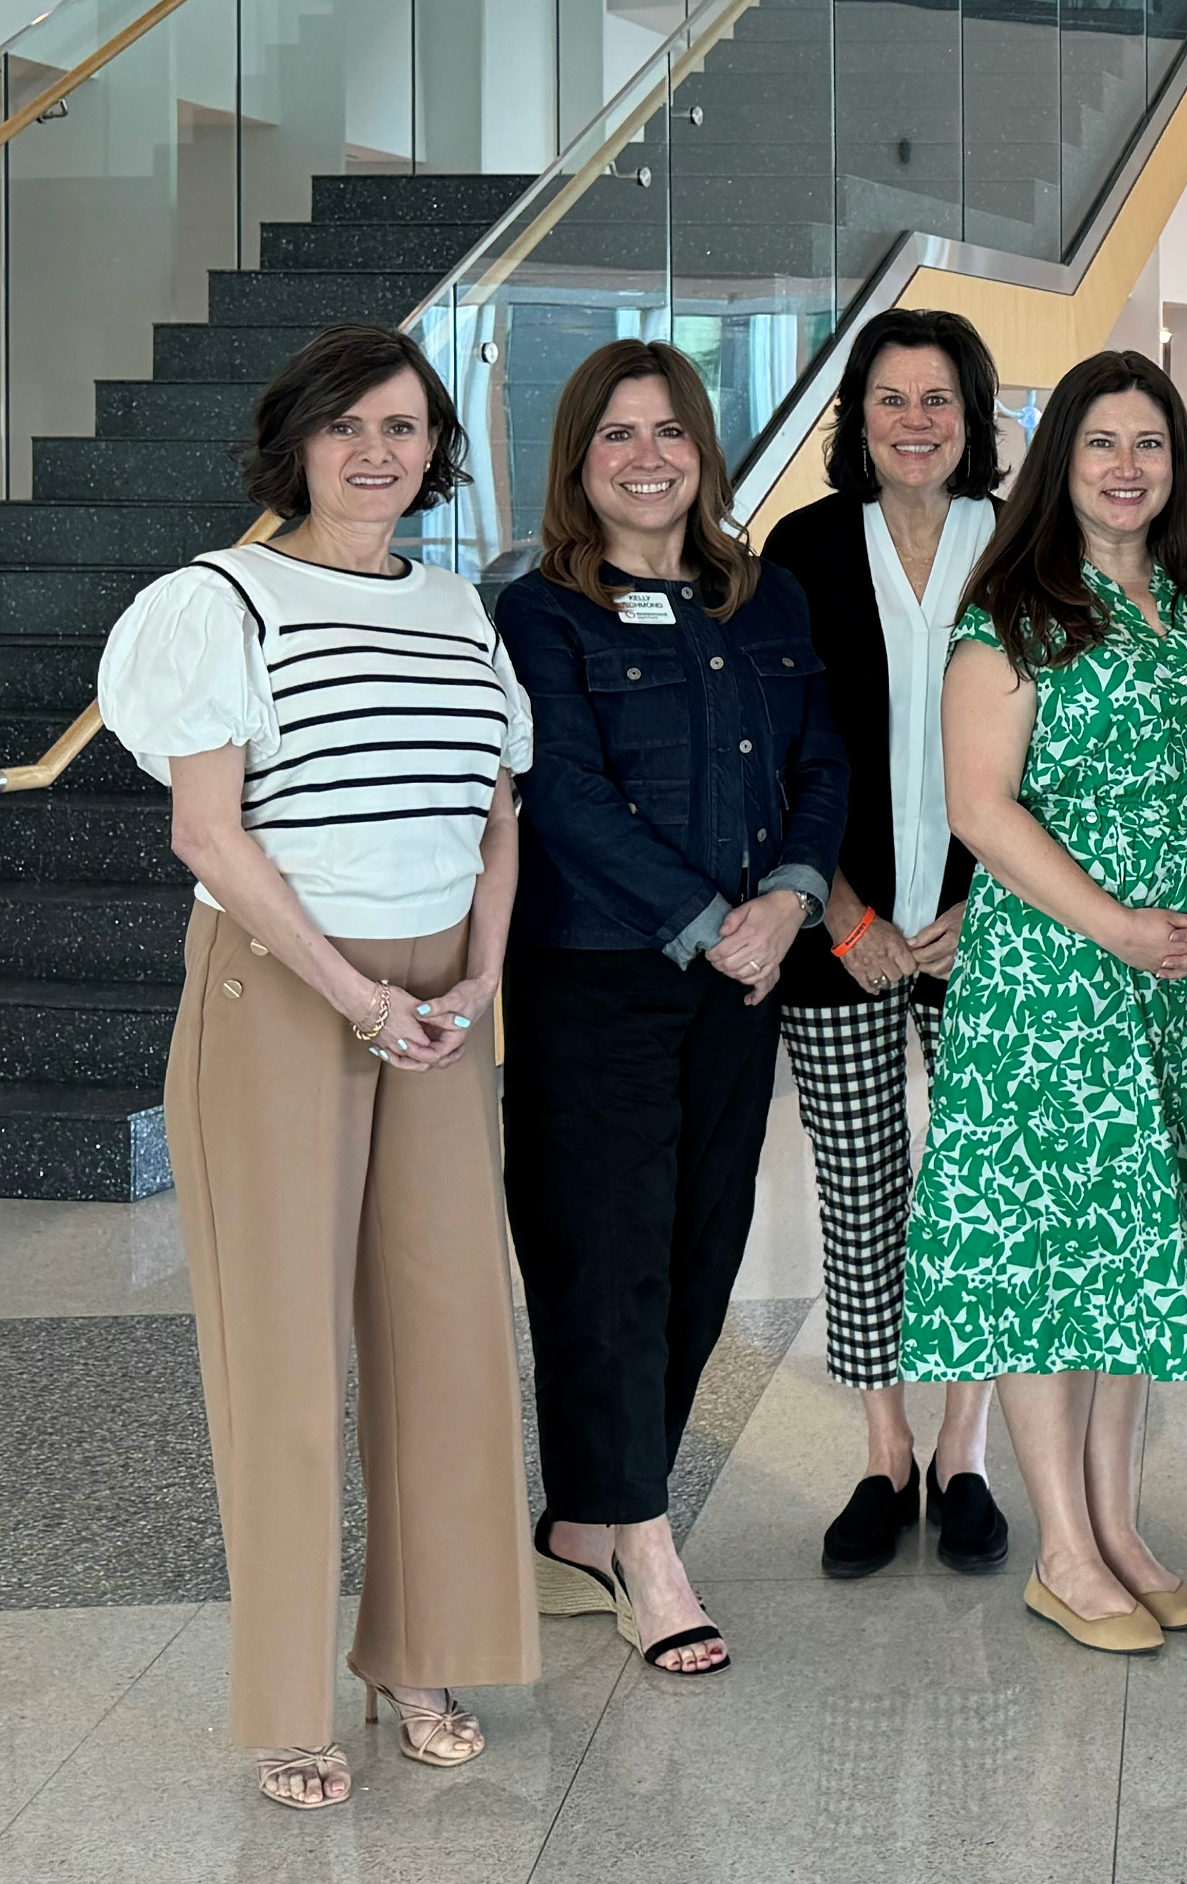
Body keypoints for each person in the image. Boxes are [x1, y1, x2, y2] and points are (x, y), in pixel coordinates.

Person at [97, 322, 538, 1808]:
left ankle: (418, 1652)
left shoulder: (459, 608)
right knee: (285, 1352)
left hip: (437, 998)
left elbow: (498, 812)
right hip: (285, 988)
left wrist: (478, 968)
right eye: (348, 426)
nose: (378, 453)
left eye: (406, 428)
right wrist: (354, 991)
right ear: (295, 441)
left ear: (436, 452)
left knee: (446, 1338)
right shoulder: (214, 600)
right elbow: (207, 833)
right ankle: (287, 1696)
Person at [898, 350, 1187, 1655]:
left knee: (1136, 1260)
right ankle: (1061, 1548)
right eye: (1104, 443)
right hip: (1059, 983)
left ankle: (1119, 1526)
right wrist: (1121, 924)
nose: (1129, 467)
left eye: (1153, 446)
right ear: (1061, 458)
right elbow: (979, 807)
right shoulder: (1014, 606)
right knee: (1054, 1264)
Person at [500, 339, 848, 1680]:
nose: (647, 458)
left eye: (670, 433)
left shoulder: (765, 600)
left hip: (740, 984)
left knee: (702, 1252)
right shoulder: (540, 614)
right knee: (606, 1261)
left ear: (703, 449)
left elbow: (821, 761)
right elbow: (569, 801)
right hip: (599, 980)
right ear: (578, 461)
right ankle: (645, 1542)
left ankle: (589, 1517)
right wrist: (715, 922)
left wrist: (792, 898)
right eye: (616, 436)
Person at [761, 309, 1010, 1580]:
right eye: (890, 401)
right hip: (838, 933)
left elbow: (1057, 744)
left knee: (976, 1191)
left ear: (974, 419)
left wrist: (1002, 896)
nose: (915, 422)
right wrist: (840, 909)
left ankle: (965, 1454)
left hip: (992, 931)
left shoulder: (1020, 548)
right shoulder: (799, 550)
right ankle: (885, 1451)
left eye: (937, 400)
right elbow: (775, 752)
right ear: (856, 424)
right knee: (859, 1189)